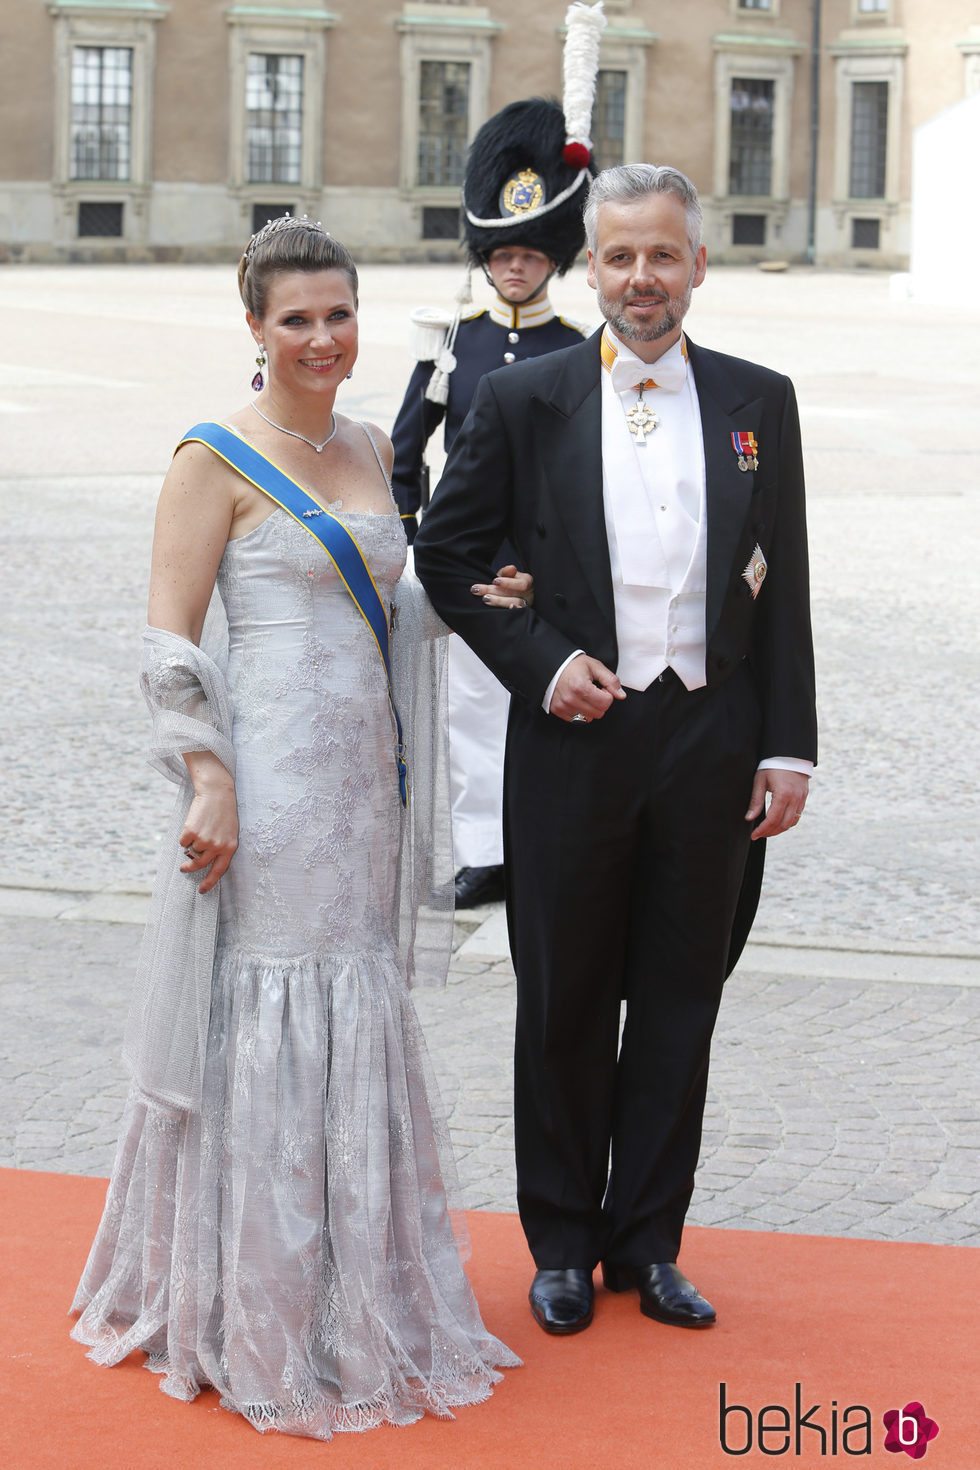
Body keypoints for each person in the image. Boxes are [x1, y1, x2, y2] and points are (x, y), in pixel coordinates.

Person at [70, 215, 526, 1438]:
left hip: (359, 785)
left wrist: (480, 587)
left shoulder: (376, 447)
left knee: (353, 992)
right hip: (267, 784)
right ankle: (251, 1300)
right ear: (255, 329)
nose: (323, 338)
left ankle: (354, 1287)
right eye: (297, 319)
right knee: (268, 1003)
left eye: (339, 314)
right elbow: (168, 640)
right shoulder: (209, 457)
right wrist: (206, 777)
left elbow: (389, 597)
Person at [414, 164, 817, 1337]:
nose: (641, 278)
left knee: (682, 1000)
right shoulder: (523, 400)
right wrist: (537, 658)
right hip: (573, 738)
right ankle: (559, 1242)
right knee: (564, 999)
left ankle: (648, 1243)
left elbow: (782, 584)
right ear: (592, 268)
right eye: (619, 257)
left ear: (698, 263)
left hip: (710, 741)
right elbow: (448, 558)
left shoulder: (758, 400)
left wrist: (786, 746)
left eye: (662, 255)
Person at [391, 78, 601, 909]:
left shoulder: (579, 349)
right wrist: (417, 543)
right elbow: (406, 452)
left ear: (554, 257)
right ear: (486, 257)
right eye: (503, 254)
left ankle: (543, 845)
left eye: (531, 254)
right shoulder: (452, 346)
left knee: (548, 710)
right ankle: (487, 853)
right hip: (466, 563)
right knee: (469, 713)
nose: (515, 267)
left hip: (538, 570)